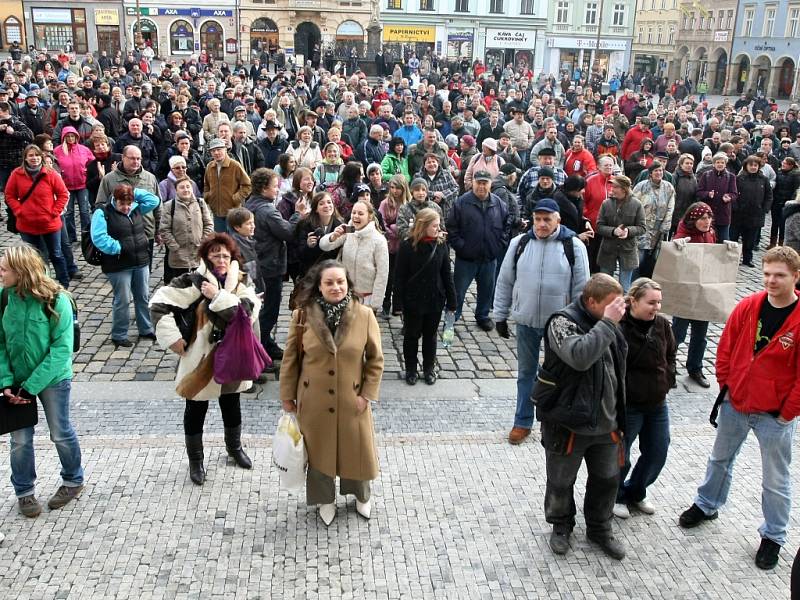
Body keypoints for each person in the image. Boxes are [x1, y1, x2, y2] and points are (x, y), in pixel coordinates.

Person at [679, 246, 800, 571]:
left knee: (775, 479)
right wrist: (726, 384)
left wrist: (788, 412)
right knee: (720, 459)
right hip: (737, 403)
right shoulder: (749, 306)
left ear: (795, 277)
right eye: (767, 274)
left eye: (780, 276)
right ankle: (707, 505)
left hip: (775, 414)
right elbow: (726, 346)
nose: (772, 281)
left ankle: (773, 536)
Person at [149, 233, 261, 485]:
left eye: (225, 255)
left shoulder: (242, 282)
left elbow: (243, 314)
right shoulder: (192, 282)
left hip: (232, 355)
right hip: (199, 360)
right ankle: (196, 461)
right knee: (195, 408)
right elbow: (158, 304)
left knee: (231, 404)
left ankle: (234, 448)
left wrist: (217, 296)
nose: (221, 259)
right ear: (206, 257)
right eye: (215, 254)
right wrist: (173, 339)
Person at [279, 260, 384, 525]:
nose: (336, 287)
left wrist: (366, 395)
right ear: (319, 286)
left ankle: (361, 495)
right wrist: (287, 396)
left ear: (348, 283)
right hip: (313, 400)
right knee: (319, 452)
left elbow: (375, 359)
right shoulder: (302, 316)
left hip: (353, 399)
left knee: (357, 450)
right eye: (329, 282)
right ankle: (324, 499)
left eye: (340, 282)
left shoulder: (364, 315)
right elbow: (291, 358)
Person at [537, 273, 628, 560]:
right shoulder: (561, 323)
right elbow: (580, 356)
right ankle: (561, 524)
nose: (618, 310)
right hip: (568, 421)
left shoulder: (611, 322)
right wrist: (608, 322)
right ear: (591, 301)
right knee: (561, 481)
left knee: (608, 478)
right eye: (612, 305)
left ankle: (600, 527)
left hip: (607, 422)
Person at [493, 198, 590, 445]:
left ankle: (555, 419)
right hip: (526, 320)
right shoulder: (520, 243)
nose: (541, 224)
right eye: (537, 219)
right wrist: (500, 315)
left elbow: (581, 289)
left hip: (558, 325)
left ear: (558, 220)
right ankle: (522, 421)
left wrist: (580, 322)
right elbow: (505, 280)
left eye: (547, 219)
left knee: (559, 374)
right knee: (526, 373)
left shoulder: (574, 246)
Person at [0, 244, 84, 518]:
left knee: (60, 432)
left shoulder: (56, 299)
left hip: (52, 379)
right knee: (20, 440)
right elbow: (0, 343)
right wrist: (6, 381)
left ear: (21, 272)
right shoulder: (4, 297)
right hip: (16, 381)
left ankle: (73, 480)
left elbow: (61, 351)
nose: (0, 273)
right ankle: (24, 492)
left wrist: (30, 386)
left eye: (4, 269)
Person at [613, 278, 676, 519]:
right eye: (651, 302)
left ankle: (636, 491)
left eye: (659, 302)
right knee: (622, 456)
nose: (656, 307)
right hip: (630, 406)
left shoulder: (662, 325)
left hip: (657, 403)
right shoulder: (619, 327)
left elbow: (670, 353)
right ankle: (616, 495)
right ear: (633, 301)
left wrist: (668, 379)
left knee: (658, 451)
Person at [245, 168, 310, 361]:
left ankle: (267, 345)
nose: (277, 189)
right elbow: (288, 232)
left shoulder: (251, 203)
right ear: (264, 188)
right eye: (275, 186)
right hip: (269, 265)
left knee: (263, 309)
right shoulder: (267, 210)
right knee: (269, 312)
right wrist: (298, 214)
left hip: (258, 263)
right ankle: (258, 353)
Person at [90, 183, 160, 348]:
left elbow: (154, 200)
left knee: (143, 297)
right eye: (123, 204)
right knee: (122, 300)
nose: (126, 208)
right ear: (115, 200)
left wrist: (133, 191)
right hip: (118, 265)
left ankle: (146, 328)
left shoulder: (136, 208)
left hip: (140, 261)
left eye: (129, 204)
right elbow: (99, 237)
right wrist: (118, 248)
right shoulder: (103, 213)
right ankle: (119, 334)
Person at [394, 208, 456, 385]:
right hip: (413, 300)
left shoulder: (441, 245)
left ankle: (429, 368)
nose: (439, 229)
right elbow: (399, 276)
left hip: (434, 299)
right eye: (435, 226)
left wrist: (452, 300)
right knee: (411, 336)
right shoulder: (407, 246)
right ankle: (411, 369)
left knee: (430, 336)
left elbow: (446, 274)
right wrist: (397, 303)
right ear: (423, 226)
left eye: (439, 225)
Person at [447, 170, 510, 331]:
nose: (481, 186)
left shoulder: (499, 204)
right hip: (466, 259)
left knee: (486, 291)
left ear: (490, 184)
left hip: (489, 257)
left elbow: (506, 227)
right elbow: (452, 228)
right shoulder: (461, 203)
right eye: (479, 182)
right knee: (458, 291)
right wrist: (461, 247)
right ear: (473, 183)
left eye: (485, 183)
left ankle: (482, 316)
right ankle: (452, 316)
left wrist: (499, 245)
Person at [5, 145, 70, 288]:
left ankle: (64, 284)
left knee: (56, 254)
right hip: (27, 224)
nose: (34, 158)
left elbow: (63, 194)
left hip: (50, 223)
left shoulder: (50, 173)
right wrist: (19, 211)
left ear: (41, 157)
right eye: (30, 155)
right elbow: (9, 195)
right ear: (25, 158)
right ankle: (40, 284)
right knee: (35, 258)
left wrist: (54, 212)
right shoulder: (17, 174)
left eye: (37, 155)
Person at [671, 202, 717, 388]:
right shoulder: (683, 235)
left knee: (700, 335)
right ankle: (668, 366)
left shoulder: (711, 233)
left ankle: (695, 367)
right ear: (693, 219)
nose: (707, 222)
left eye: (709, 217)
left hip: (703, 293)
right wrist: (677, 247)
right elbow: (673, 259)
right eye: (702, 218)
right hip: (685, 294)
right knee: (678, 334)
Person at [319, 201, 389, 312]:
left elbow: (382, 273)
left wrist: (375, 303)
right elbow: (324, 246)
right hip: (346, 296)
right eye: (354, 212)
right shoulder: (348, 231)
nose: (356, 216)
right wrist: (333, 236)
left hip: (367, 298)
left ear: (369, 216)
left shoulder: (379, 240)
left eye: (360, 213)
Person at [160, 177, 214, 284]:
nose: (186, 190)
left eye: (188, 187)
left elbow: (208, 224)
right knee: (180, 287)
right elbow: (164, 229)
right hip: (178, 255)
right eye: (182, 187)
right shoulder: (170, 206)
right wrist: (175, 247)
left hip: (198, 253)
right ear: (176, 190)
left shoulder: (200, 203)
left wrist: (202, 243)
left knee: (198, 286)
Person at [596, 175, 646, 292]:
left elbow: (642, 228)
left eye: (615, 187)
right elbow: (599, 226)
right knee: (605, 287)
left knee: (624, 289)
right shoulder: (606, 204)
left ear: (624, 189)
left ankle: (624, 309)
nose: (612, 189)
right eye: (612, 186)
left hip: (628, 250)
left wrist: (628, 231)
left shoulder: (637, 205)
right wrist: (613, 231)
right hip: (607, 250)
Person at [632, 162, 674, 277]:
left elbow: (670, 207)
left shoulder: (668, 187)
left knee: (654, 259)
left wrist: (666, 225)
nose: (659, 173)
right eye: (656, 171)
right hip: (643, 228)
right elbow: (633, 204)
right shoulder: (641, 186)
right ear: (650, 173)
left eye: (660, 170)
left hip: (659, 230)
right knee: (639, 257)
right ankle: (634, 283)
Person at [53, 126, 94, 243]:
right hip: (66, 186)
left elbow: (92, 162)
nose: (71, 138)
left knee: (84, 211)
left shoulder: (84, 149)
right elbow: (53, 165)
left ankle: (86, 234)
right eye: (68, 136)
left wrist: (87, 172)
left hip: (82, 184)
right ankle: (71, 236)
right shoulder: (57, 151)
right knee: (69, 211)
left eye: (73, 136)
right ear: (63, 137)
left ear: (77, 137)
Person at [204, 138, 252, 233]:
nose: (216, 153)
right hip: (217, 213)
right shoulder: (209, 166)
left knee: (234, 241)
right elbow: (206, 185)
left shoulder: (235, 165)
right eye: (213, 150)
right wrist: (208, 196)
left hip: (233, 212)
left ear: (225, 149)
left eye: (219, 149)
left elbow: (247, 185)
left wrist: (236, 198)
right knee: (221, 241)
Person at [733, 156, 772, 268]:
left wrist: (765, 208)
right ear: (746, 166)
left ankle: (747, 259)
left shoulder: (763, 179)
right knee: (734, 238)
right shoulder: (739, 178)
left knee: (750, 240)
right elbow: (734, 194)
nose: (753, 167)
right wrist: (735, 207)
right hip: (739, 215)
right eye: (751, 165)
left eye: (755, 165)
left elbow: (769, 196)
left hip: (755, 215)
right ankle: (734, 259)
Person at [295, 191, 344, 280]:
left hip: (332, 273)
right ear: (316, 209)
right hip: (311, 274)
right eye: (321, 203)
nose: (326, 206)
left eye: (329, 202)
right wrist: (309, 246)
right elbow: (300, 254)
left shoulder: (340, 226)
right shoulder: (306, 225)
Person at [697, 152, 738, 242]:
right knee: (708, 240)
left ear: (725, 164)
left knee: (723, 241)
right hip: (708, 214)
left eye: (722, 162)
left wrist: (729, 197)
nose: (720, 164)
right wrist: (707, 194)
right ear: (714, 163)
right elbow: (699, 192)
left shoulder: (731, 177)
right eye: (718, 162)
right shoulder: (706, 175)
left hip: (723, 214)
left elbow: (734, 193)